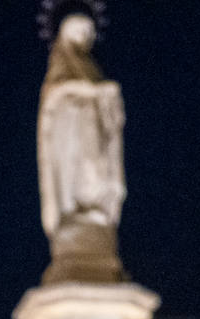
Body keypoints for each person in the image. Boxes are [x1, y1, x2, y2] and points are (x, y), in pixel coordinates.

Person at [37, 13, 128, 283]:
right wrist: (89, 92)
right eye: (78, 30)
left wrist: (106, 101)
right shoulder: (60, 67)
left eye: (87, 31)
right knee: (76, 170)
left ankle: (96, 216)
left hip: (92, 133)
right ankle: (75, 215)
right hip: (70, 136)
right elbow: (54, 98)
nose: (83, 36)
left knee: (96, 172)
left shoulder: (92, 70)